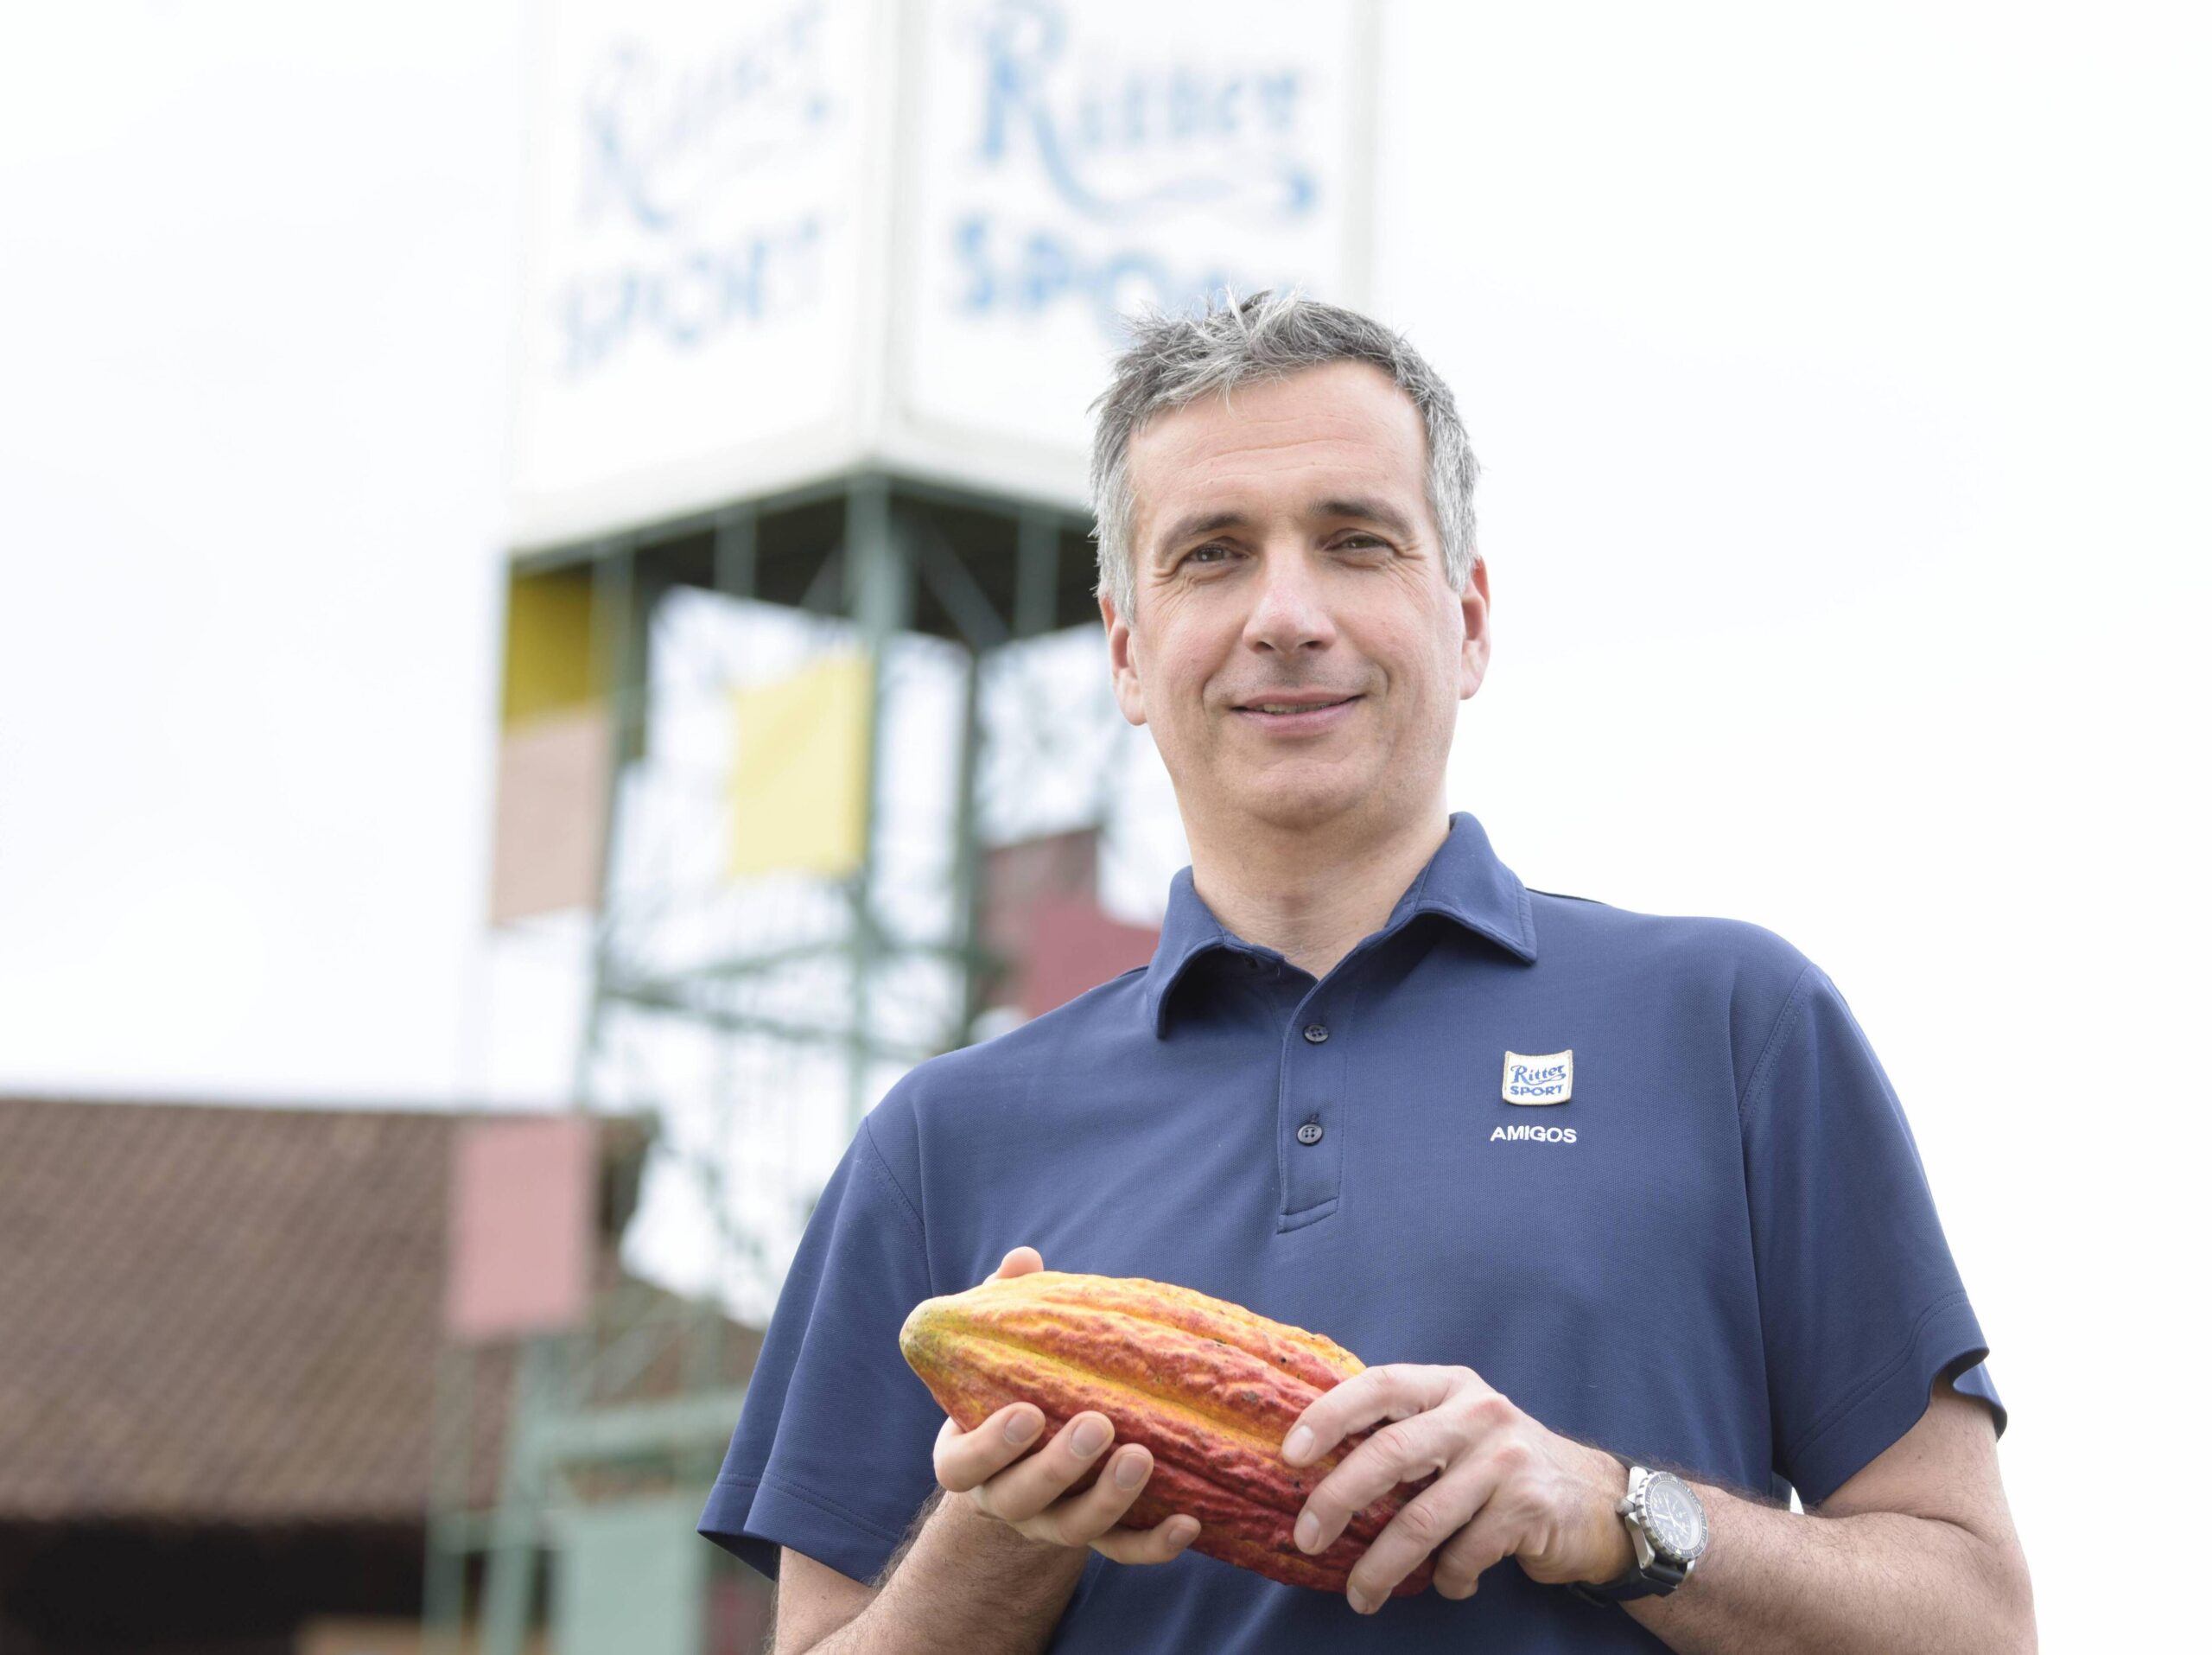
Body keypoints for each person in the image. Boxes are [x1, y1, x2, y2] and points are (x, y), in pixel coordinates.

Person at [697, 292, 2034, 1653]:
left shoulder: (1734, 1025)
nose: (1287, 614)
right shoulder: (942, 1142)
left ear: (1466, 619)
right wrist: (1000, 1534)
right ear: (1126, 652)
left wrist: (1604, 1508)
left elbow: (1978, 1625)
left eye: (1355, 542)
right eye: (1212, 556)